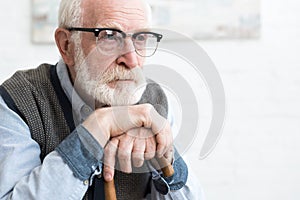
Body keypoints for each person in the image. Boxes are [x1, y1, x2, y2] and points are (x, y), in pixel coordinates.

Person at [0, 0, 204, 199]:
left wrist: (165, 155)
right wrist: (98, 128)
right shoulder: (17, 101)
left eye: (140, 38)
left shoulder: (153, 102)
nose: (132, 60)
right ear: (66, 45)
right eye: (109, 36)